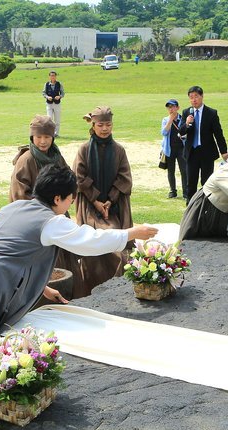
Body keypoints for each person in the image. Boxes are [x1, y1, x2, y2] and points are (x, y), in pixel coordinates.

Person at [0, 164, 158, 368]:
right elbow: (90, 242)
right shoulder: (51, 221)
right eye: (70, 198)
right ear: (57, 198)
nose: (71, 203)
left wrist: (43, 287)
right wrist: (131, 233)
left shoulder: (14, 207)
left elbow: (15, 251)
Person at [72, 106, 135, 298]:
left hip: (113, 207)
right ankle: (92, 287)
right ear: (93, 125)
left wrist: (109, 200)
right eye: (100, 125)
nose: (105, 129)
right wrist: (97, 200)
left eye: (108, 124)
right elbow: (79, 177)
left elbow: (124, 178)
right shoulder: (83, 149)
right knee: (94, 241)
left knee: (116, 242)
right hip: (90, 207)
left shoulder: (119, 150)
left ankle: (117, 288)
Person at [181, 85, 228, 200]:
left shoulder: (211, 113)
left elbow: (218, 133)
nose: (194, 100)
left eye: (196, 96)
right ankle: (190, 206)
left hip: (206, 153)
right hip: (192, 152)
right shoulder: (187, 112)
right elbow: (181, 131)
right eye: (191, 97)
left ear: (202, 96)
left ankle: (205, 206)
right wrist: (187, 123)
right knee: (190, 182)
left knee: (207, 182)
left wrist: (224, 151)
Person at [10, 115, 67, 202]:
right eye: (39, 137)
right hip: (32, 211)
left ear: (53, 138)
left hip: (57, 209)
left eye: (47, 137)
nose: (43, 141)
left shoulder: (57, 157)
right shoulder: (26, 160)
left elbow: (69, 179)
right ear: (32, 138)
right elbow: (20, 194)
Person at [43, 71, 64, 136]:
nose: (52, 77)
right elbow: (44, 93)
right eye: (51, 75)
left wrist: (59, 96)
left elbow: (63, 93)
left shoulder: (59, 84)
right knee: (49, 119)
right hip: (49, 104)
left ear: (56, 76)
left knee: (57, 120)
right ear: (49, 76)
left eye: (54, 75)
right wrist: (47, 97)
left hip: (57, 104)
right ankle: (50, 133)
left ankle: (56, 133)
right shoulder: (46, 84)